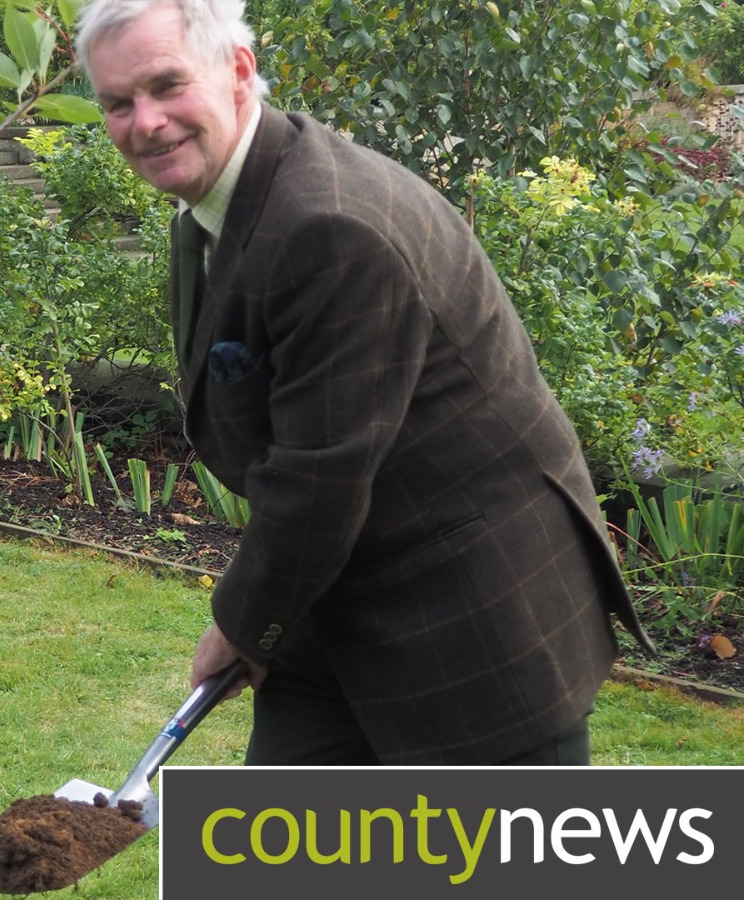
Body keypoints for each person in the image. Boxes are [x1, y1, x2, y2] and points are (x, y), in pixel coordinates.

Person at [75, 0, 652, 765]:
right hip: (338, 591)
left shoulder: (329, 227)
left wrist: (242, 623)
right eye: (119, 102)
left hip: (472, 620)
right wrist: (265, 617)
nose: (144, 122)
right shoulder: (215, 208)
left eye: (167, 86)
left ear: (239, 71)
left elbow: (321, 472)